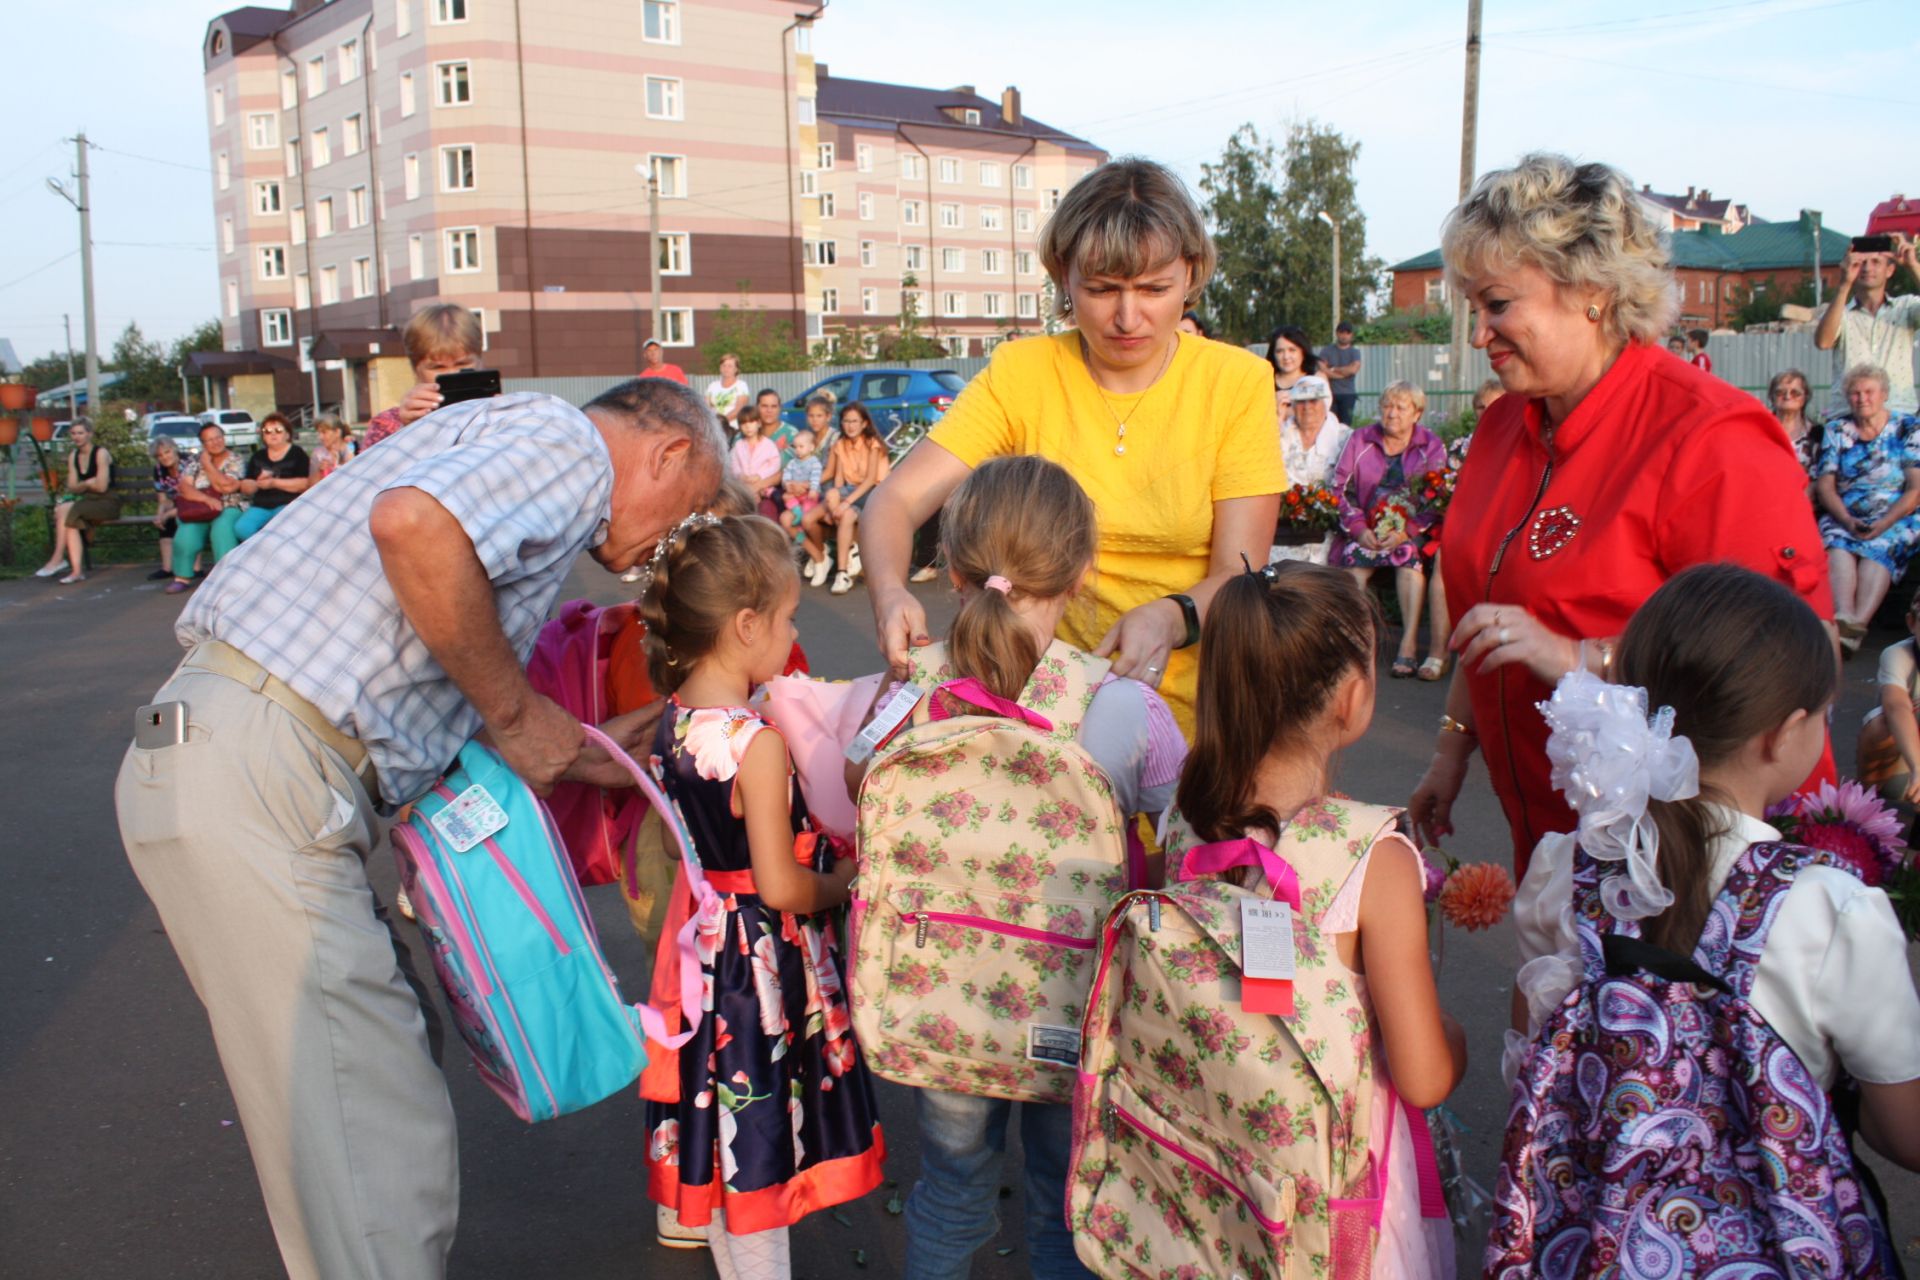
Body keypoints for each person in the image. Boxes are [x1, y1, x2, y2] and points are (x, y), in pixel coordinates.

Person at [114, 379, 724, 1280]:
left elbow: (412, 645)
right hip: (261, 762)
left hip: (238, 751)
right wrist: (520, 717)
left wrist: (573, 747)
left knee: (372, 1079)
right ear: (669, 451)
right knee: (371, 1132)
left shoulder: (505, 432)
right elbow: (412, 525)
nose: (670, 545)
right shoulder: (568, 442)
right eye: (691, 510)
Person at [1409, 152, 1832, 877]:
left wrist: (1582, 657)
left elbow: (1787, 657)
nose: (1479, 335)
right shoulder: (1504, 426)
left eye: (1499, 304)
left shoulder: (1709, 437)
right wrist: (1452, 749)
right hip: (1555, 837)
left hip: (1688, 860)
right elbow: (1494, 620)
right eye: (1472, 308)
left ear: (1593, 293)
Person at [1498, 565, 1920, 1270]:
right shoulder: (1833, 906)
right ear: (1783, 735)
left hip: (1590, 1238)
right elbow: (1903, 1131)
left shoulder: (1564, 865)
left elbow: (1531, 1051)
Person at [855, 456, 1183, 1280]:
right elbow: (1187, 835)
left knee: (952, 1187)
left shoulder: (911, 691)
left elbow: (859, 787)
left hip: (941, 1000)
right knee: (1063, 1198)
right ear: (1082, 572)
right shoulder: (1116, 703)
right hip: (1074, 1010)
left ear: (953, 570)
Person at [861, 157, 1285, 734]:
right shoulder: (1023, 373)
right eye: (1103, 289)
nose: (1128, 317)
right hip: (1035, 704)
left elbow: (1242, 573)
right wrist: (888, 591)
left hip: (1188, 713)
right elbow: (895, 501)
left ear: (1191, 274)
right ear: (1064, 275)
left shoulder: (1236, 383)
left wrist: (1173, 614)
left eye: (1155, 289)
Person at [1168, 560, 1465, 1276]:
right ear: (1355, 697)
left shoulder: (1186, 817)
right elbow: (1422, 1077)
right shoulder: (1373, 856)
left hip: (1213, 1158)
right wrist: (1454, 1037)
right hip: (1334, 1192)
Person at [635, 513, 883, 1279]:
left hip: (703, 960)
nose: (791, 632)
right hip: (757, 966)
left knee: (717, 1131)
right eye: (787, 618)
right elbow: (779, 884)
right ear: (745, 625)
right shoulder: (756, 742)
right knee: (763, 1141)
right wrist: (844, 881)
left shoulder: (674, 723)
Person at [1328, 380, 1448, 679]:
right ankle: (1355, 645)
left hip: (1406, 533)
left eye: (1400, 407)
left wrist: (1407, 531)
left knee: (1409, 562)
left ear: (1416, 414)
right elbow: (1339, 488)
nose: (1391, 413)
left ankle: (1407, 646)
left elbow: (1438, 495)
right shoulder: (1361, 439)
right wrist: (1357, 528)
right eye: (1387, 406)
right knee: (1354, 569)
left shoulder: (1431, 445)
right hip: (1365, 530)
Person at [1815, 363, 1920, 651]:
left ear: (1884, 394)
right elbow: (1825, 485)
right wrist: (1847, 520)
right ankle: (1845, 616)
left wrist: (1884, 522)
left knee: (1881, 547)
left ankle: (1855, 629)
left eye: (1869, 392)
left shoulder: (1907, 427)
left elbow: (1915, 489)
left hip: (1898, 514)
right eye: (1855, 393)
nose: (1862, 398)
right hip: (1845, 512)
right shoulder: (1837, 429)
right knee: (1837, 542)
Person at [1815, 231, 1920, 416]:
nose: (1867, 268)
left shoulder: (1905, 307)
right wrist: (1844, 283)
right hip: (1847, 414)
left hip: (1897, 412)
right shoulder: (1840, 312)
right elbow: (1823, 342)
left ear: (1889, 270)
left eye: (1876, 262)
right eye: (1861, 262)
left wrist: (1913, 265)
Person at [363, 304, 485, 450]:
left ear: (479, 361)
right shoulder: (385, 426)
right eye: (437, 367)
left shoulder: (506, 413)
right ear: (416, 369)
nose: (452, 374)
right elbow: (373, 471)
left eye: (462, 364)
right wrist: (408, 430)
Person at [803, 401, 889, 596]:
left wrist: (844, 503)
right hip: (849, 491)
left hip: (873, 491)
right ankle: (827, 556)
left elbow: (869, 481)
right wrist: (836, 506)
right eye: (846, 421)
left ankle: (842, 572)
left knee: (846, 513)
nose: (850, 425)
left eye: (854, 421)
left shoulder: (872, 444)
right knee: (809, 518)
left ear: (864, 423)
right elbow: (839, 480)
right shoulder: (840, 444)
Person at [1271, 374, 1350, 566]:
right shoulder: (1279, 433)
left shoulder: (1344, 437)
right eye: (1300, 401)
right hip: (1282, 528)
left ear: (1326, 402)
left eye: (1313, 400)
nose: (1307, 407)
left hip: (1325, 529)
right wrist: (1278, 417)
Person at [163, 422, 246, 594]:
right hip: (200, 508)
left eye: (218, 437)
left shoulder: (235, 459)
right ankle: (182, 576)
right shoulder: (194, 462)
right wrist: (206, 499)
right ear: (203, 444)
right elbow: (184, 487)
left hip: (229, 505)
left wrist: (207, 464)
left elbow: (227, 487)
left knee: (222, 530)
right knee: (187, 533)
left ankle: (225, 577)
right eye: (209, 440)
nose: (215, 442)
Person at [34, 419, 118, 584]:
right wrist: (87, 483)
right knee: (70, 522)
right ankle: (76, 571)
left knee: (64, 510)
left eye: (80, 433)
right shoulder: (74, 456)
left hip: (107, 502)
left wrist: (84, 485)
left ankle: (57, 558)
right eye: (73, 433)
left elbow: (101, 487)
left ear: (89, 434)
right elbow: (72, 487)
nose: (77, 437)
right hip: (86, 502)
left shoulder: (101, 453)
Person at [1857, 595, 1920, 813]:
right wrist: (1917, 767)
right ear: (1912, 623)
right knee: (1880, 723)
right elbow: (1896, 706)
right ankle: (1866, 801)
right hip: (1906, 759)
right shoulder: (1898, 654)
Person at [235, 413, 310, 541]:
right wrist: (255, 484)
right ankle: (263, 551)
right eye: (267, 431)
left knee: (280, 526)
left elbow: (304, 484)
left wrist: (273, 483)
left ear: (287, 434)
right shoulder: (258, 456)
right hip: (261, 504)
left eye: (278, 430)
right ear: (263, 436)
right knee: (242, 528)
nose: (273, 434)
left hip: (288, 503)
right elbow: (247, 486)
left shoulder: (297, 453)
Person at [727, 400, 783, 520]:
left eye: (752, 422)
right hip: (744, 487)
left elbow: (775, 464)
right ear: (740, 426)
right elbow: (733, 464)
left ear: (758, 423)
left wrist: (760, 476)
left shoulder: (768, 444)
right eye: (744, 423)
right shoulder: (738, 445)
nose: (748, 427)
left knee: (768, 511)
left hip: (765, 488)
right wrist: (741, 475)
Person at [1265, 323, 1322, 428]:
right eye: (1279, 351)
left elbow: (1317, 413)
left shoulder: (1317, 378)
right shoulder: (1264, 381)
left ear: (1303, 351)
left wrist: (1280, 409)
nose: (1286, 356)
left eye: (1292, 350)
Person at [1769, 368, 1821, 476]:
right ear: (1772, 397)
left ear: (1805, 397)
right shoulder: (1759, 431)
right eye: (1780, 392)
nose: (1787, 396)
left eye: (1795, 393)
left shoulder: (1818, 434)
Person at [148, 436, 185, 581]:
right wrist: (160, 515)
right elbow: (162, 498)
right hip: (174, 503)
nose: (164, 457)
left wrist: (168, 513)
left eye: (167, 452)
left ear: (174, 449)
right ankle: (167, 568)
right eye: (159, 455)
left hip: (193, 502)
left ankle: (195, 567)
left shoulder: (187, 464)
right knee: (164, 523)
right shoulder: (158, 470)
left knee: (183, 518)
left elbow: (193, 495)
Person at [777, 428, 822, 541]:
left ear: (811, 447)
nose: (798, 450)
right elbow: (786, 473)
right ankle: (796, 510)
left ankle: (801, 526)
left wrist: (813, 489)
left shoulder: (814, 462)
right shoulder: (792, 462)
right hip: (795, 493)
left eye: (801, 447)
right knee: (785, 496)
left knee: (808, 507)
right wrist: (787, 483)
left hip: (808, 494)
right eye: (795, 447)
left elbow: (816, 477)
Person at [1318, 320, 1363, 427]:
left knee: (1345, 426)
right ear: (1337, 333)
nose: (1344, 335)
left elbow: (1353, 369)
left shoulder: (1355, 352)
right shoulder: (1327, 350)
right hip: (1330, 394)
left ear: (1351, 335)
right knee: (1329, 425)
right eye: (1342, 332)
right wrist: (1343, 373)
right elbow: (1321, 368)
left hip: (1348, 394)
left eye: (1347, 333)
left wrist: (1333, 369)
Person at [704, 352, 753, 427]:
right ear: (720, 368)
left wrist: (722, 422)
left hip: (733, 427)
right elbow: (706, 407)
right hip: (714, 427)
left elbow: (739, 409)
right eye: (724, 365)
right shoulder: (712, 386)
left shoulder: (741, 385)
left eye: (730, 366)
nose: (726, 368)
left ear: (736, 369)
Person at [310, 414, 357, 481]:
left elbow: (355, 474)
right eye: (319, 433)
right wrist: (320, 471)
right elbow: (312, 485)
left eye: (324, 432)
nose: (320, 437)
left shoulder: (350, 448)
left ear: (337, 432)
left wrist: (337, 466)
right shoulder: (318, 453)